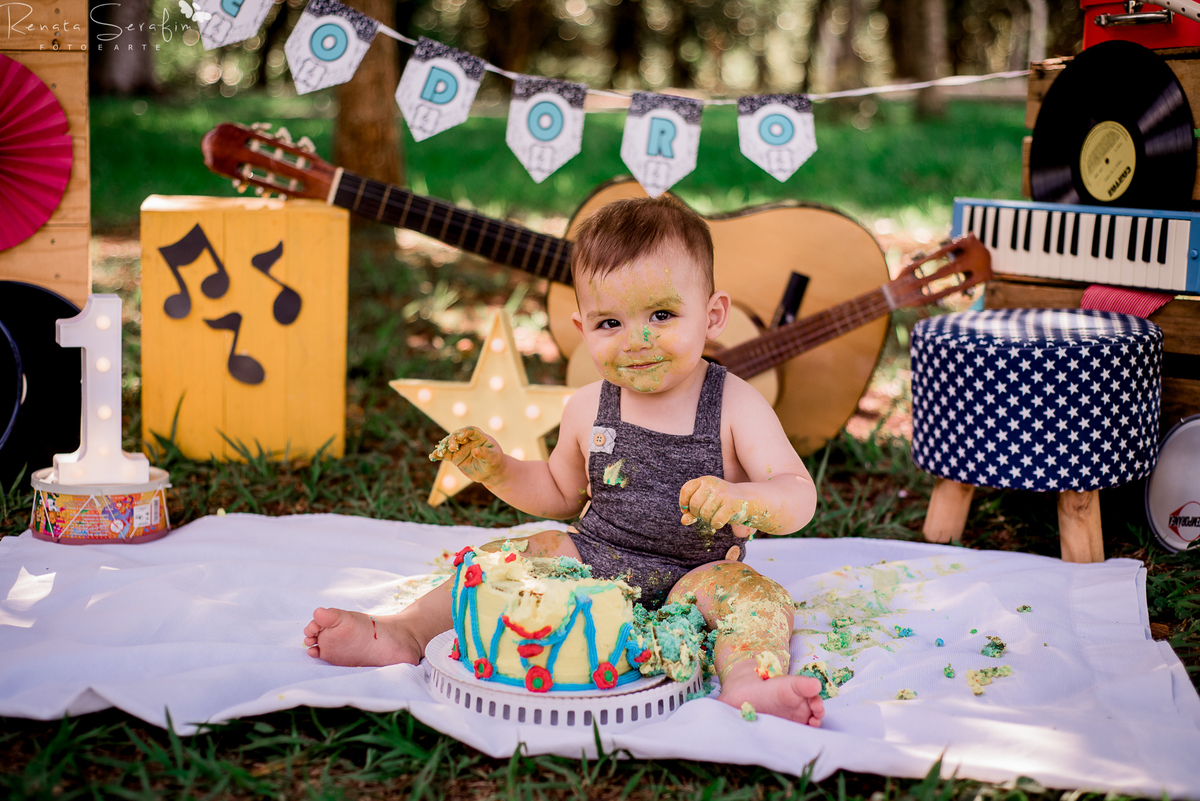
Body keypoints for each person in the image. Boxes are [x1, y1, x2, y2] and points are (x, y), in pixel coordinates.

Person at [305, 196, 824, 726]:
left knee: (756, 598)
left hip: (699, 575)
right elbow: (559, 492)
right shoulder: (587, 407)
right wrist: (501, 471)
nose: (637, 340)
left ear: (713, 316)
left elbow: (797, 493)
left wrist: (743, 499)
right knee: (508, 556)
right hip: (593, 559)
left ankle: (748, 681)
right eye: (610, 323)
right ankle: (407, 630)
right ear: (582, 328)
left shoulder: (733, 404)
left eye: (662, 315)